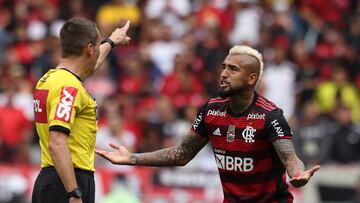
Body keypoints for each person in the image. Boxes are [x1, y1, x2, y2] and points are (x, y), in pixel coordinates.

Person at [95, 45, 320, 202]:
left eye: (233, 69)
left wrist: (297, 174)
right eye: (224, 67)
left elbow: (290, 158)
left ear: (252, 79)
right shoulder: (211, 109)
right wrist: (131, 158)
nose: (223, 74)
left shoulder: (270, 115)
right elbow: (182, 154)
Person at [32, 17, 131, 203]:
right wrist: (74, 192)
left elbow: (87, 68)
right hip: (67, 183)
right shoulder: (69, 88)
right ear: (90, 49)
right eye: (97, 43)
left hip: (53, 179)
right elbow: (57, 142)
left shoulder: (50, 78)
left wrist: (111, 41)